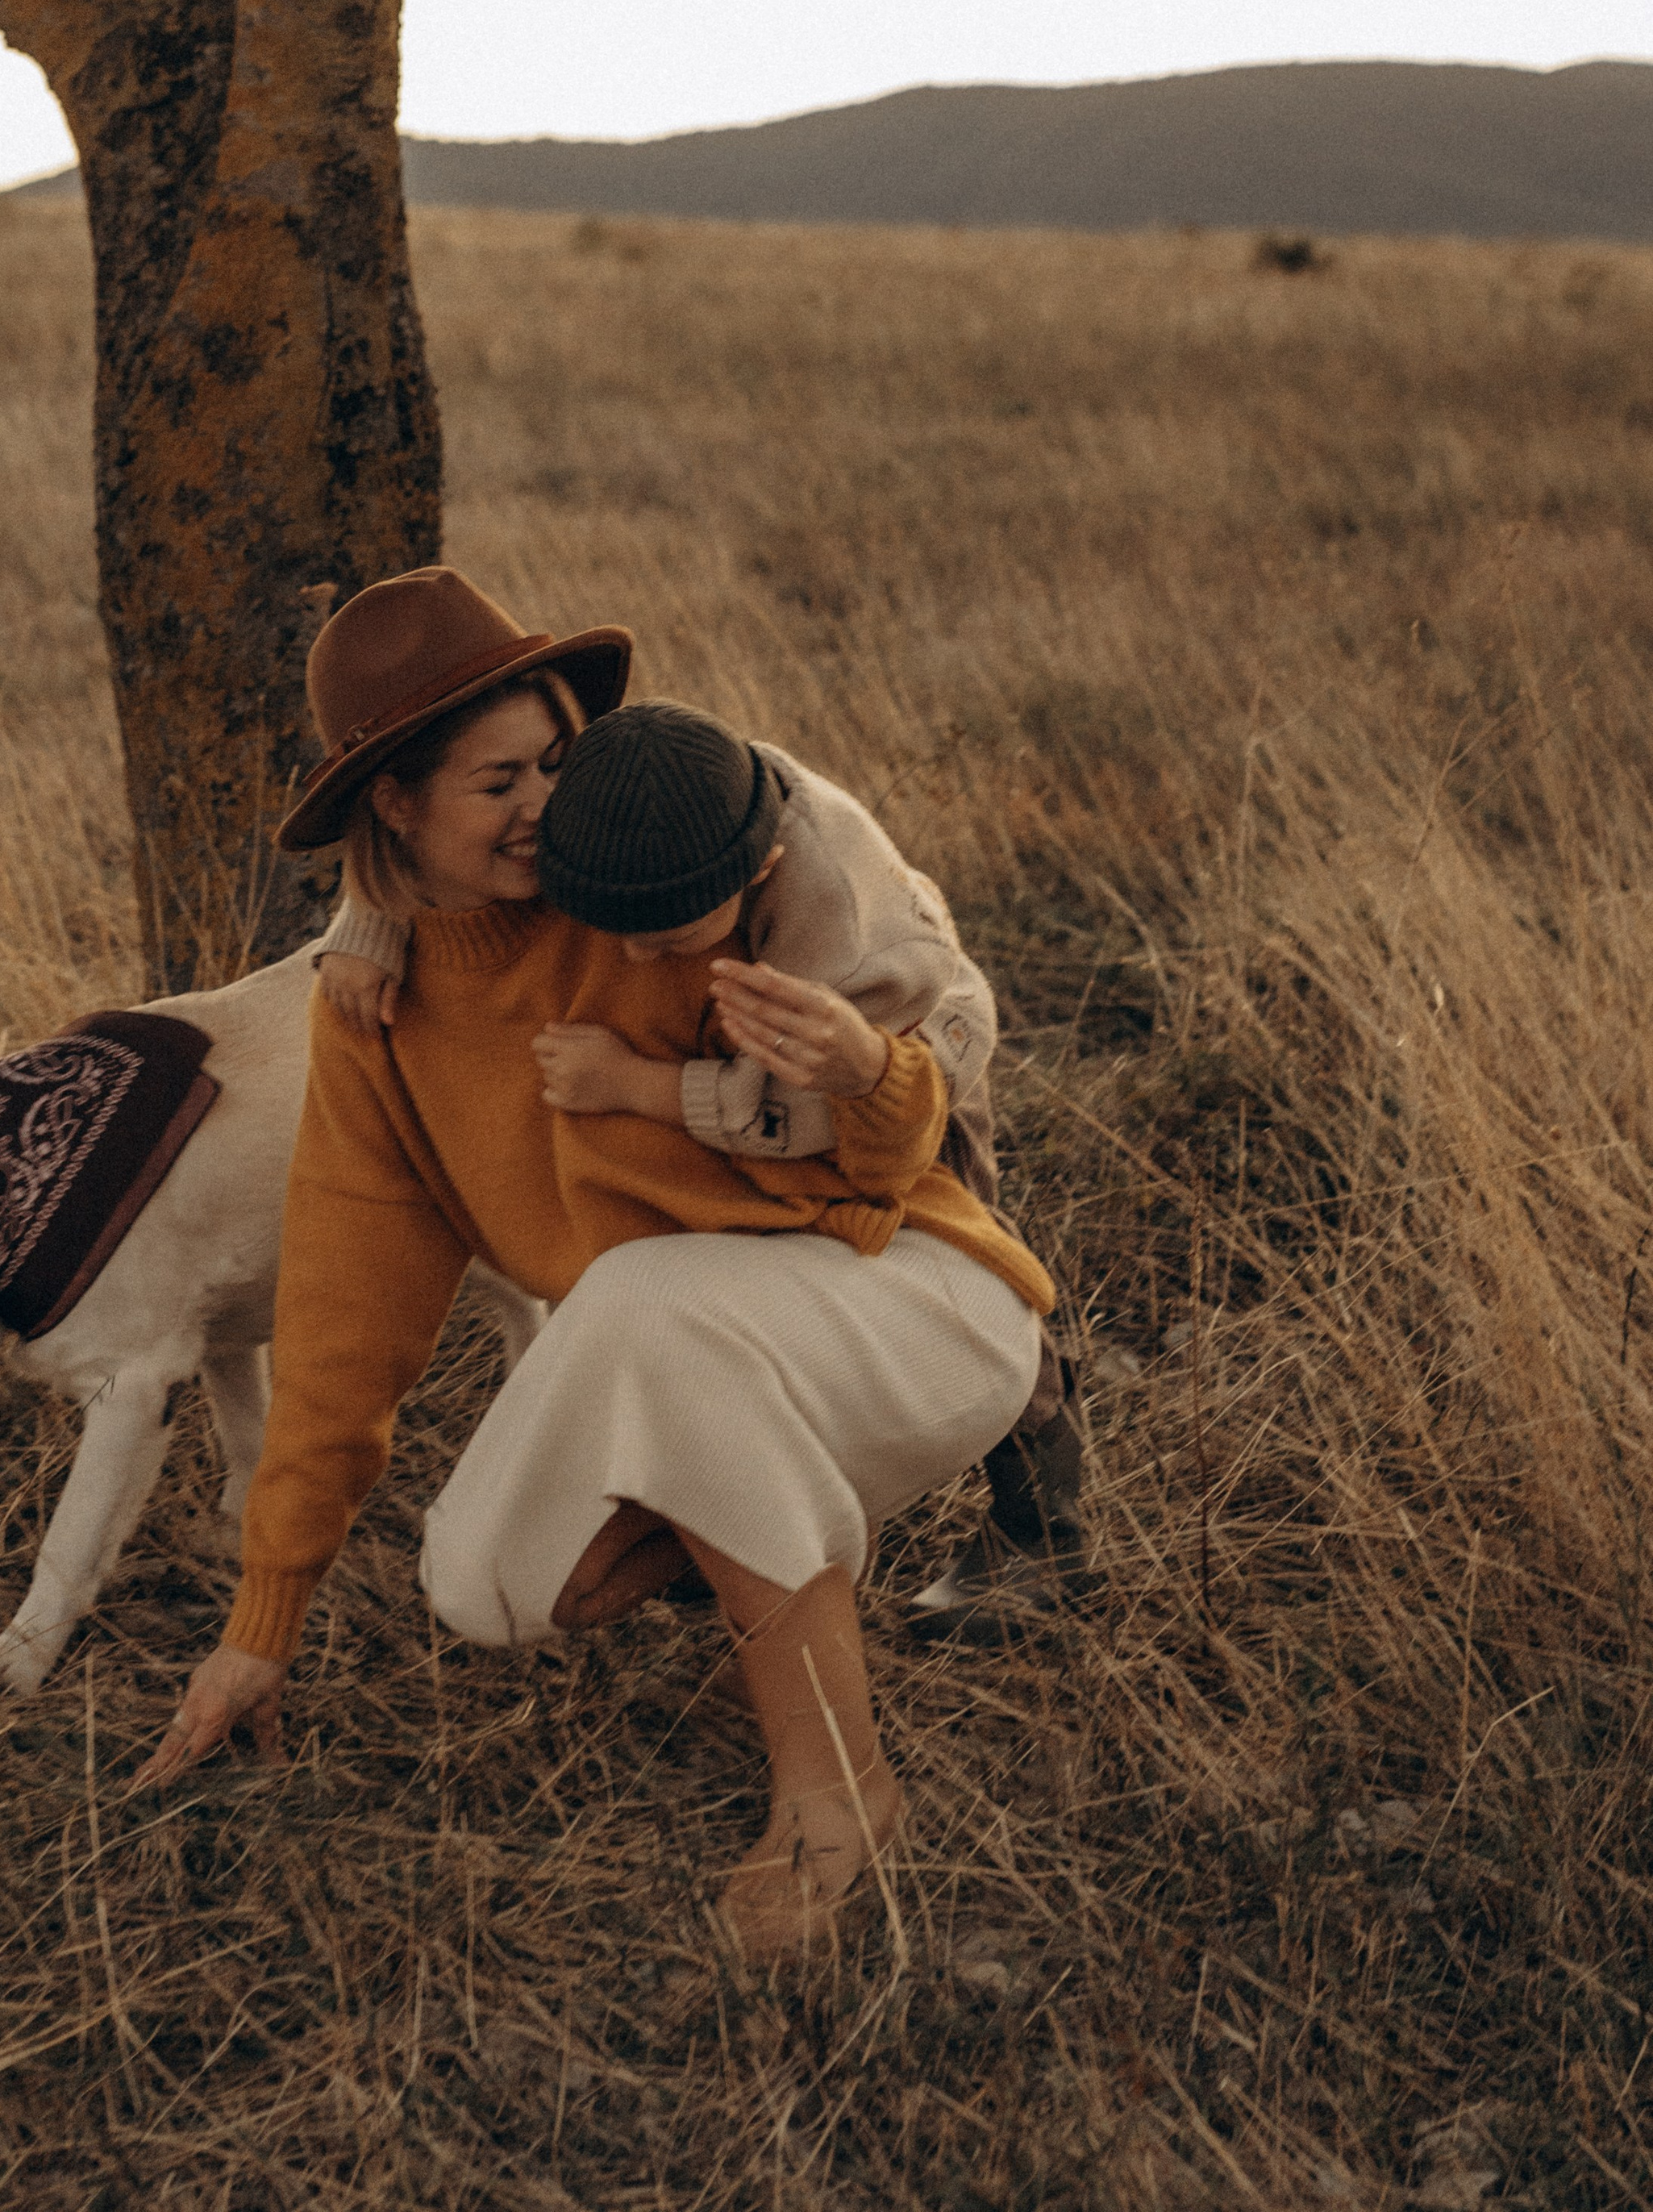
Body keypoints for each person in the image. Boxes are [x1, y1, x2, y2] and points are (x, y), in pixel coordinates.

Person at [138, 567, 1056, 1960]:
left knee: (640, 1302)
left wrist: (873, 1071)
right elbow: (341, 1321)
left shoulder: (656, 875)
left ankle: (837, 1794)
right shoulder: (379, 1011)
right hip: (708, 1352)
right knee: (487, 1581)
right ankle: (766, 1582)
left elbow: (801, 859)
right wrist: (266, 1616)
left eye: (557, 762)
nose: (546, 807)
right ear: (395, 805)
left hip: (911, 1297)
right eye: (497, 781)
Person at [319, 697, 1088, 1630]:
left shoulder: (841, 948)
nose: (637, 957)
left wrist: (642, 1086)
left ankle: (1044, 1516)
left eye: (666, 939)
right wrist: (369, 917)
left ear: (756, 868)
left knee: (953, 1228)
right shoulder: (648, 779)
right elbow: (446, 826)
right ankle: (721, 1492)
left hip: (913, 1029)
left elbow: (804, 1114)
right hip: (781, 999)